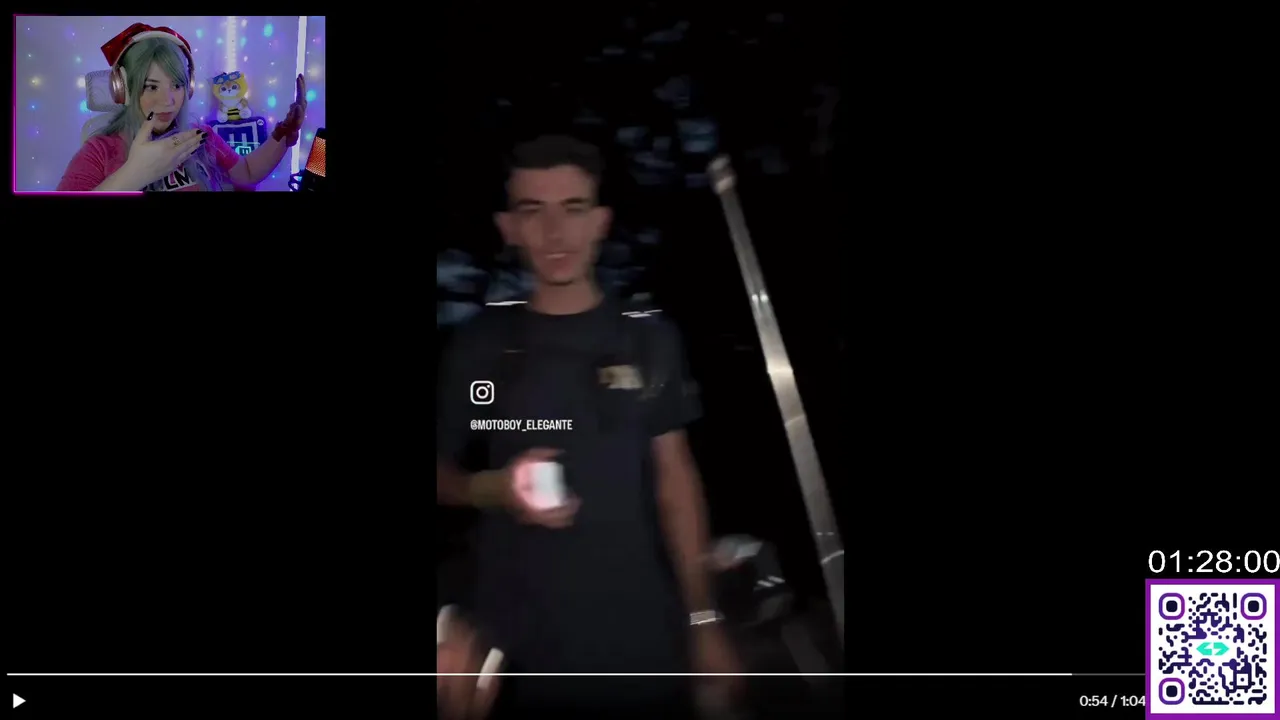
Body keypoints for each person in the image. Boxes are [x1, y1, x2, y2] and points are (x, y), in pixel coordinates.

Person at [435, 135, 742, 718]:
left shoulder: (649, 339)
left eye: (573, 209)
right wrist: (492, 488)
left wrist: (704, 620)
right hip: (516, 661)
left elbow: (676, 482)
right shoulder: (480, 348)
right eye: (533, 211)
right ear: (509, 228)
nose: (556, 233)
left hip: (645, 650)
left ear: (601, 221)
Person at [56, 22, 306, 192]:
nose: (168, 101)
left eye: (176, 85)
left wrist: (283, 134)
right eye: (151, 86)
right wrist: (133, 174)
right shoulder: (99, 152)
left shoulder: (198, 137)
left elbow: (247, 172)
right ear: (123, 89)